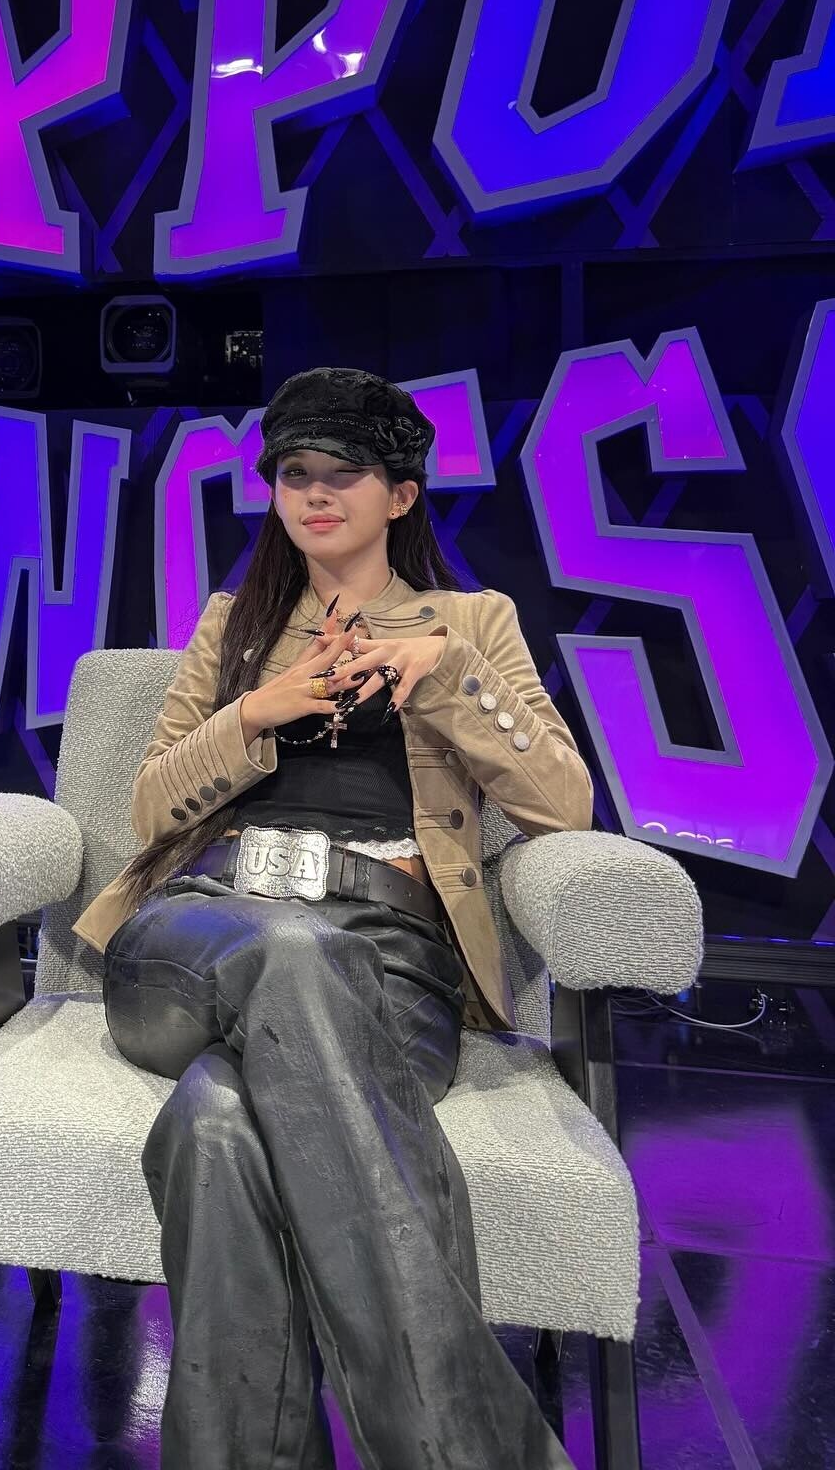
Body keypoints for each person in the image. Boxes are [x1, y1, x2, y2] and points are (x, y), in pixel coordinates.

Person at [69, 366, 593, 1470]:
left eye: (342, 472)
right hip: (199, 935)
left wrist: (446, 675)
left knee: (216, 1123)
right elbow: (150, 808)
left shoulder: (472, 624)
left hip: (392, 962)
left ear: (400, 493)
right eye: (293, 473)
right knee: (291, 949)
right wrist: (255, 714)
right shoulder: (235, 625)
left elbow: (565, 805)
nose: (312, 493)